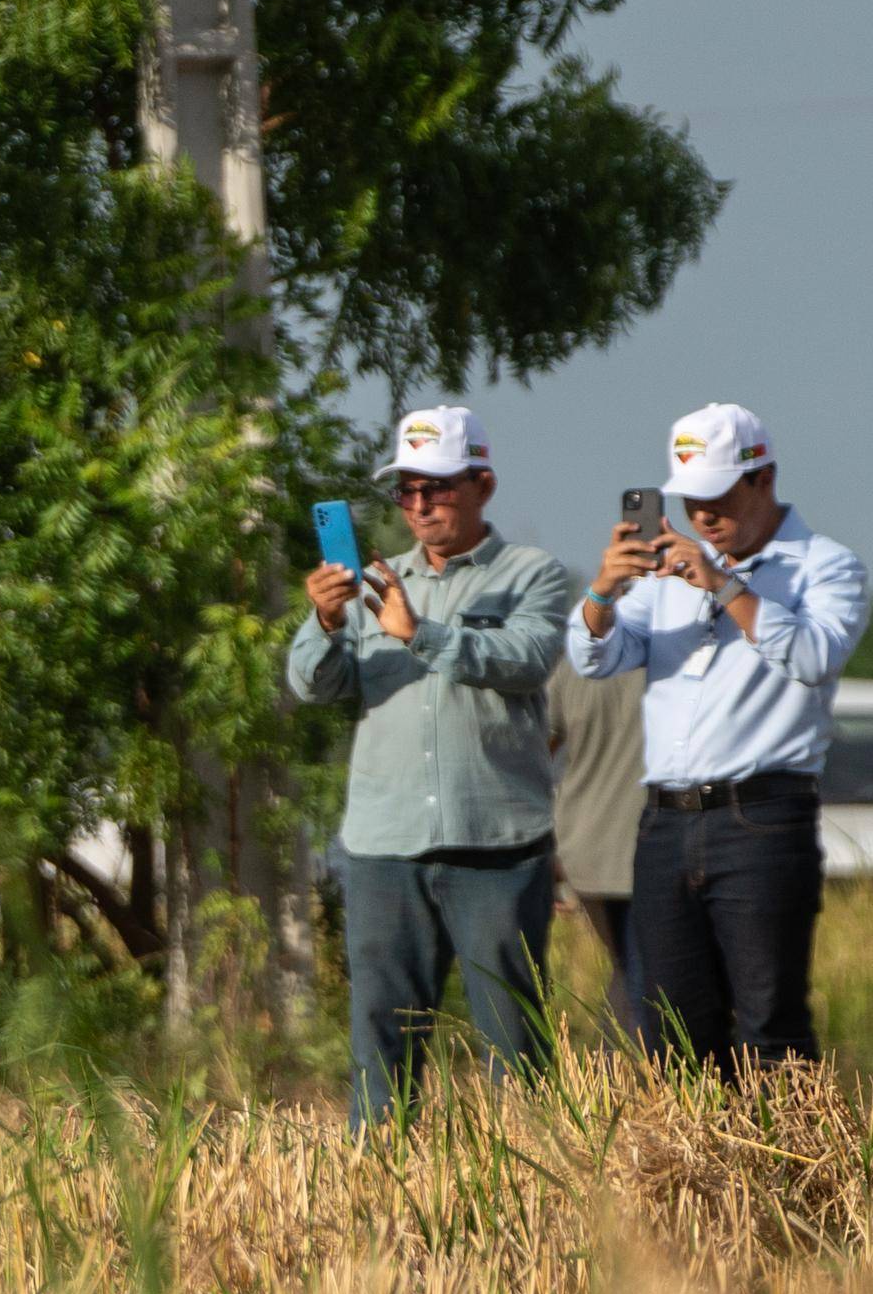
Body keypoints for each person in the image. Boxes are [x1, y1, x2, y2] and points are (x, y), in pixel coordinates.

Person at [287, 405, 577, 1120]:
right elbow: (310, 684)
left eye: (437, 488)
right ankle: (379, 1201)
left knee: (515, 1044)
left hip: (497, 847)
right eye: (406, 490)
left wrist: (421, 633)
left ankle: (533, 1192)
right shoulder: (370, 583)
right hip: (385, 846)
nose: (419, 505)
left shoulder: (529, 573)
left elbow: (529, 657)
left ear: (483, 483)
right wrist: (326, 621)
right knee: (381, 1038)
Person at [571, 402, 864, 1072]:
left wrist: (726, 586)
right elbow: (595, 657)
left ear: (764, 478)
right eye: (691, 499)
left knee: (770, 1024)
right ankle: (697, 1174)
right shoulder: (664, 570)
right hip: (664, 822)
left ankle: (787, 1171)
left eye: (718, 496)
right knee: (672, 1028)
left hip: (761, 816)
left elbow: (816, 656)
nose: (702, 515)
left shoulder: (827, 566)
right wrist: (605, 590)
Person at [547, 654, 648, 1038]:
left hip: (582, 848)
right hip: (652, 845)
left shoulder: (577, 659)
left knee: (629, 969)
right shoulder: (678, 655)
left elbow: (536, 750)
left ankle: (614, 1081)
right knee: (643, 975)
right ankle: (628, 1080)